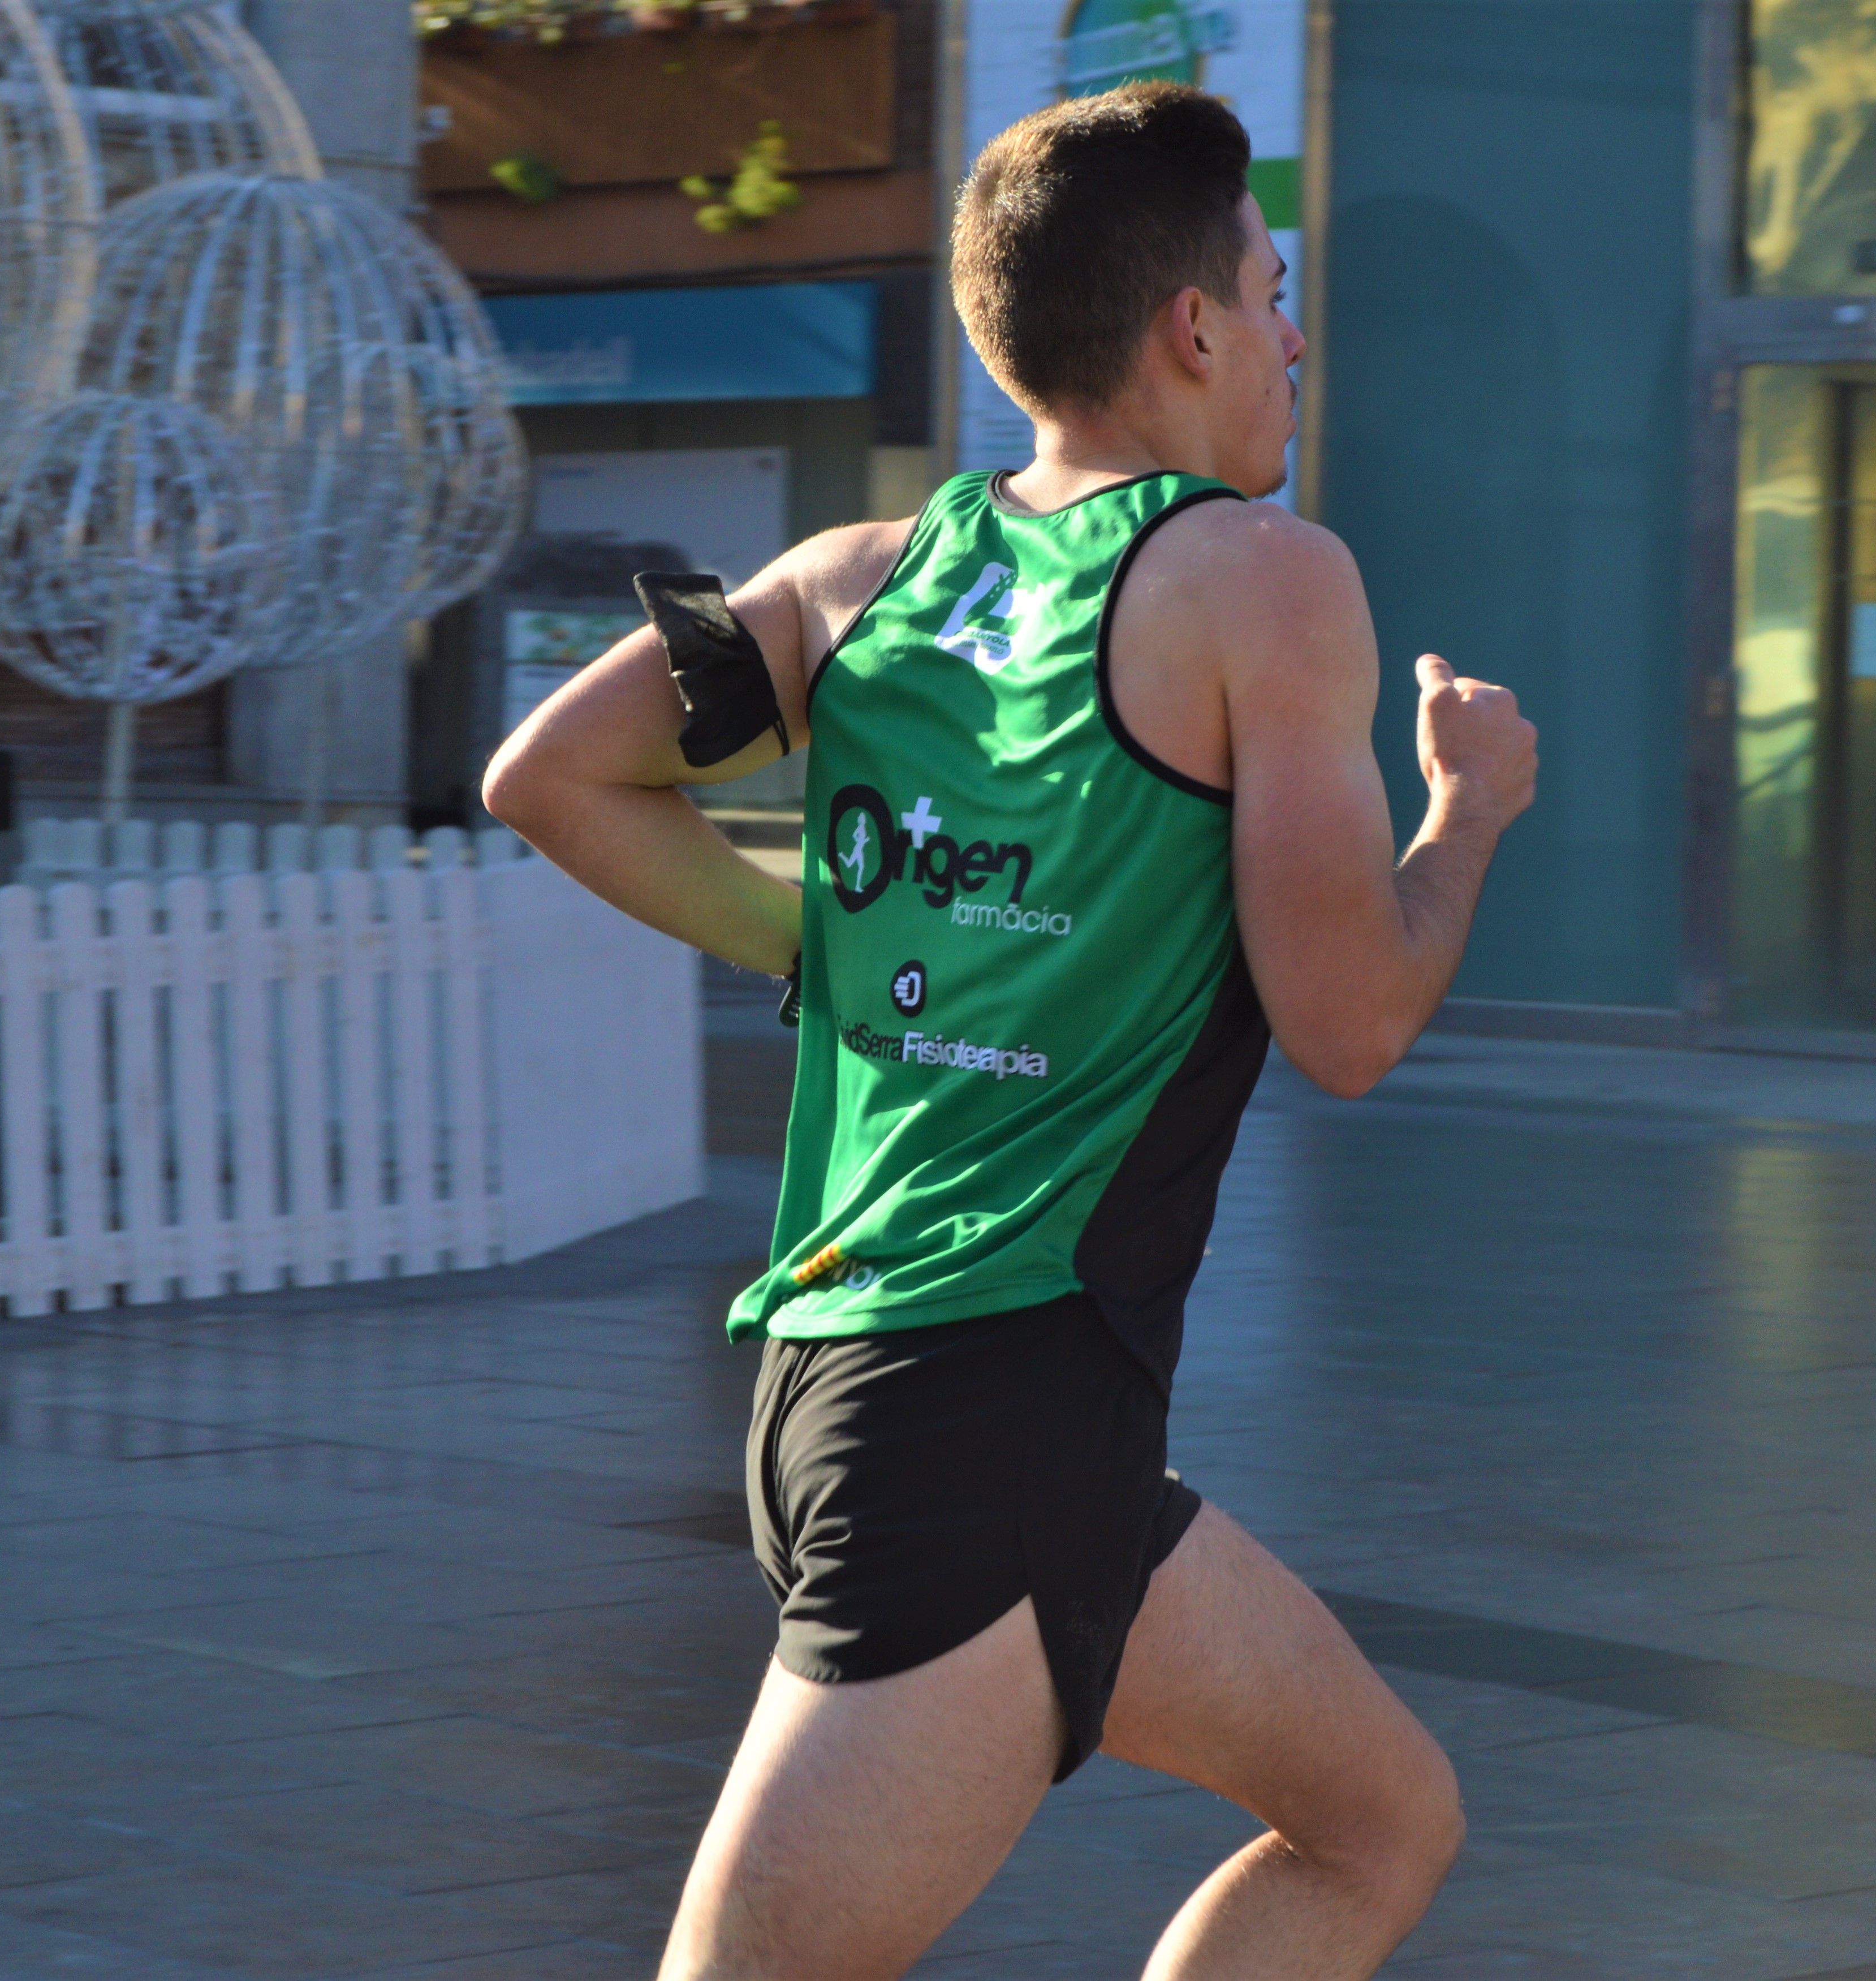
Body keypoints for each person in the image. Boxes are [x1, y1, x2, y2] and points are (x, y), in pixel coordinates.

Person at [483, 84, 1534, 1980]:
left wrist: (809, 941)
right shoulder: (1268, 581)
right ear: (1191, 327)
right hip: (979, 1416)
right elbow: (1353, 1019)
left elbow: (551, 773)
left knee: (1381, 1819)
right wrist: (1465, 816)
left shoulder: (852, 579)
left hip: (909, 1394)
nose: (1295, 336)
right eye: (1275, 289)